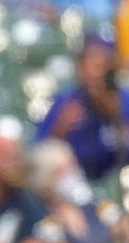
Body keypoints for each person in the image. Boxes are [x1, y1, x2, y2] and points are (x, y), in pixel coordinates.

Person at [36, 33, 129, 181]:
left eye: (101, 66)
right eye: (89, 65)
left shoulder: (124, 100)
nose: (96, 73)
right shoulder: (65, 101)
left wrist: (114, 115)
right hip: (73, 183)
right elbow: (40, 155)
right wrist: (60, 128)